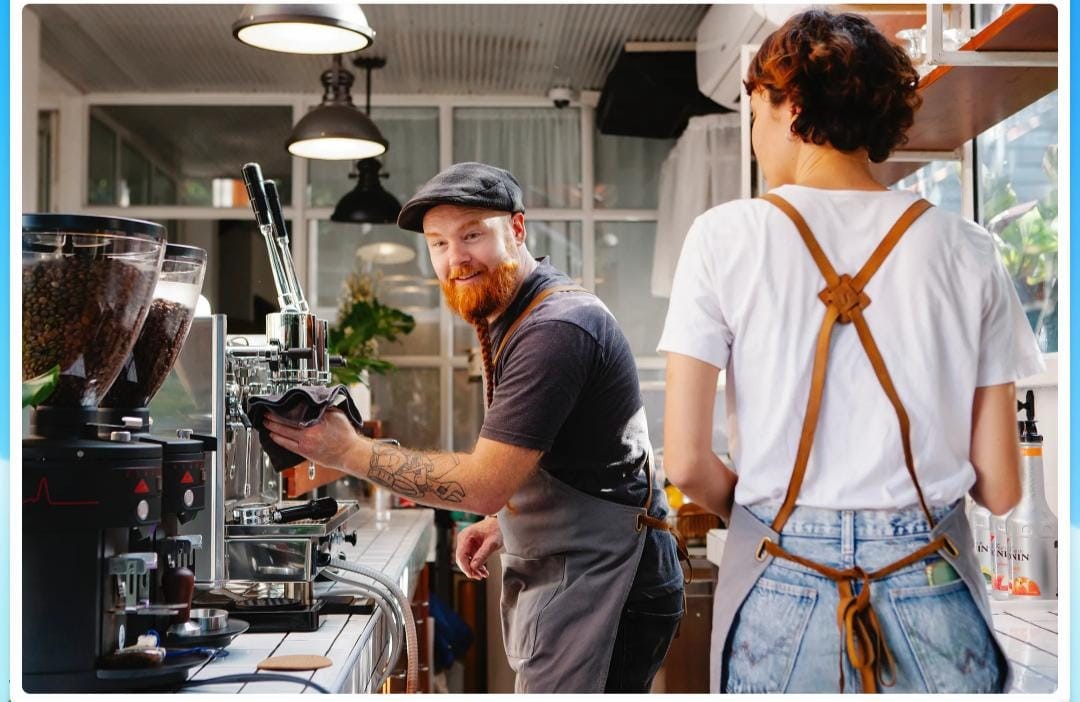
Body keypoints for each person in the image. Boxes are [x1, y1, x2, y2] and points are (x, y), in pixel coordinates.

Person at [658, 10, 1044, 694]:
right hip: (932, 578)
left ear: (792, 107)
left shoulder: (724, 237)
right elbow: (1003, 487)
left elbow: (687, 461)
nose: (754, 138)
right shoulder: (968, 249)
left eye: (755, 113)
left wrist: (776, 523)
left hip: (782, 582)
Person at [263, 162, 685, 693]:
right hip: (584, 570)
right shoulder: (515, 311)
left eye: (471, 235)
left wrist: (347, 450)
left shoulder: (555, 328)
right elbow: (579, 460)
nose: (455, 258)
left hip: (609, 584)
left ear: (517, 229)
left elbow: (484, 483)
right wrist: (511, 521)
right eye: (438, 243)